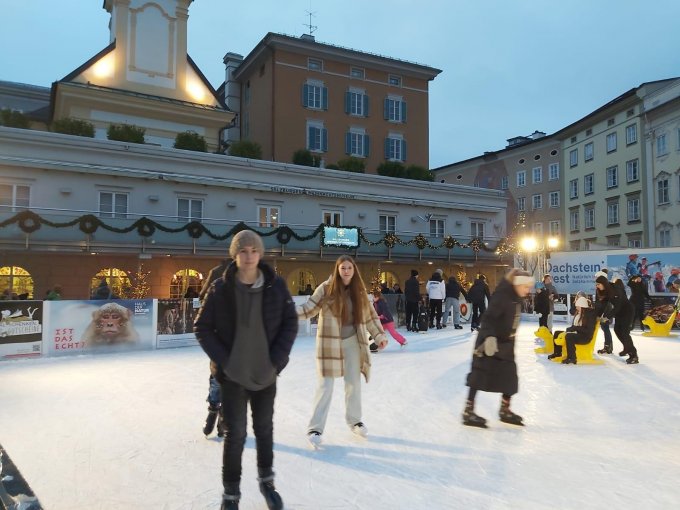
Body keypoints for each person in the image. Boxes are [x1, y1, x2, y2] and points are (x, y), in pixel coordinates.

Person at [194, 230, 298, 510]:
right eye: (243, 251)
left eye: (253, 250)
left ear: (260, 253)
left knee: (264, 430)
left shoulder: (276, 286)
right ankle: (231, 494)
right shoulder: (220, 289)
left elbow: (290, 322)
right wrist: (225, 362)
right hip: (232, 378)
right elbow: (201, 327)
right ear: (234, 255)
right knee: (235, 434)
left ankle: (267, 483)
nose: (249, 256)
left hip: (265, 375)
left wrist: (276, 361)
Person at [297, 255, 387, 447]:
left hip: (353, 342)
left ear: (354, 271)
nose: (346, 271)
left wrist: (379, 336)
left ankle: (355, 421)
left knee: (353, 383)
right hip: (330, 342)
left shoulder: (359, 292)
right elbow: (309, 309)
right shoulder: (326, 289)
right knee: (325, 385)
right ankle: (315, 427)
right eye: (343, 268)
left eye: (349, 268)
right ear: (337, 270)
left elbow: (371, 317)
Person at [462, 269, 534, 428]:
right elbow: (487, 318)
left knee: (510, 377)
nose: (528, 290)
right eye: (526, 286)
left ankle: (504, 410)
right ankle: (468, 411)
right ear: (517, 283)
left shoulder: (516, 298)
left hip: (506, 344)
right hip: (489, 342)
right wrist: (488, 337)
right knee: (479, 375)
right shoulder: (502, 296)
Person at [595, 274, 638, 364]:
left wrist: (607, 317)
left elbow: (618, 306)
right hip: (619, 312)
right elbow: (602, 305)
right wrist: (597, 315)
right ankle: (627, 348)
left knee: (624, 332)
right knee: (617, 330)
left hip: (627, 311)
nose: (597, 286)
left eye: (598, 284)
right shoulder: (605, 291)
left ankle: (634, 355)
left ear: (603, 283)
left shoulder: (615, 289)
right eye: (596, 284)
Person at [549, 295, 598, 363]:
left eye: (577, 306)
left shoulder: (590, 315)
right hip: (578, 333)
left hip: (585, 337)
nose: (576, 308)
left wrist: (575, 328)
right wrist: (572, 328)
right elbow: (576, 326)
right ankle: (557, 353)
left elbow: (588, 331)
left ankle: (572, 358)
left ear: (582, 306)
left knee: (569, 336)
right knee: (557, 333)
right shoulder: (579, 313)